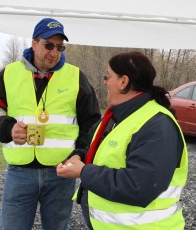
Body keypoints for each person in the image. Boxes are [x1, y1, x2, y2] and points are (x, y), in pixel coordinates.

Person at [0, 18, 101, 230]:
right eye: (49, 45)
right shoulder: (10, 73)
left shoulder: (75, 76)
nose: (54, 53)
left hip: (60, 174)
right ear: (34, 43)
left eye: (59, 47)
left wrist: (80, 153)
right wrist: (7, 128)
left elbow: (92, 122)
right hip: (19, 173)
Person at [57, 51, 188, 229]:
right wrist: (78, 156)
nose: (105, 81)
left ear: (123, 82)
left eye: (108, 76)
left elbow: (139, 186)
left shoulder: (157, 125)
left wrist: (84, 172)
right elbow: (96, 150)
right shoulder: (116, 115)